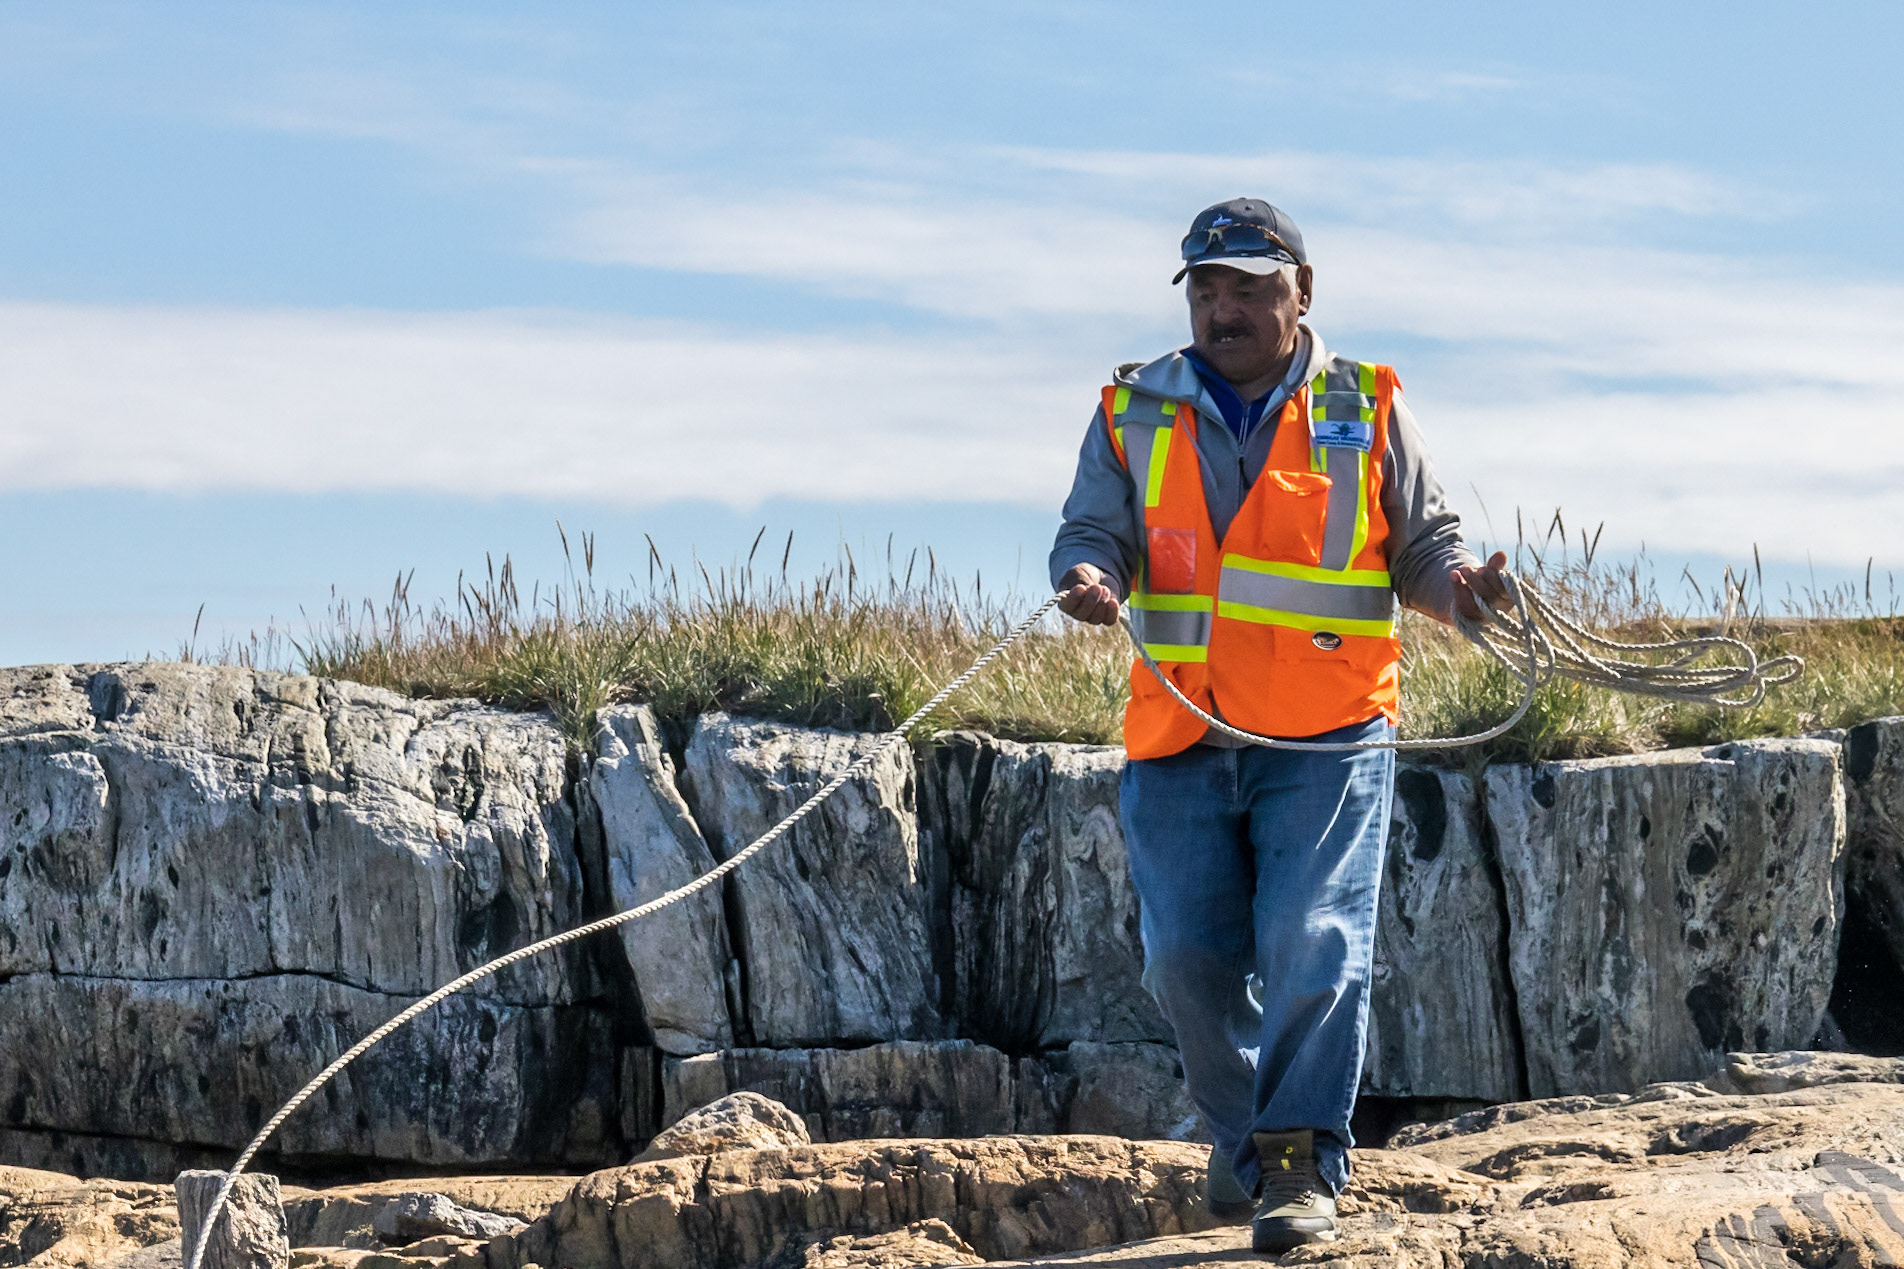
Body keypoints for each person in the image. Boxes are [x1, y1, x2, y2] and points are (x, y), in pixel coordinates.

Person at [1049, 197, 1508, 1255]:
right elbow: (1090, 528)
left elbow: (1422, 547)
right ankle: (1245, 1138)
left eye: (1249, 289)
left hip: (1327, 735)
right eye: (1206, 290)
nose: (1224, 309)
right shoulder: (1131, 406)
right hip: (1178, 732)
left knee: (1313, 941)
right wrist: (1083, 574)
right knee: (1181, 961)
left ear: (1302, 294)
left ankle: (1296, 1162)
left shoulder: (1367, 403)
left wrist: (1464, 595)